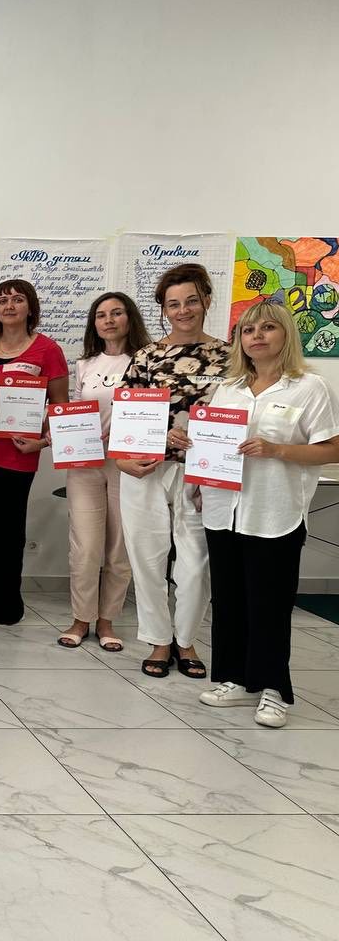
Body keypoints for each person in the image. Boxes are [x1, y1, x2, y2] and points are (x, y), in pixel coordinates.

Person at [196, 301, 339, 727]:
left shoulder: (309, 387)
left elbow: (332, 449)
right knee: (229, 600)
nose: (256, 336)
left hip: (274, 512)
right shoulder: (229, 388)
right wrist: (195, 451)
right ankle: (236, 679)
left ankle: (273, 688)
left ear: (286, 334)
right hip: (224, 510)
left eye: (267, 328)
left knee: (269, 605)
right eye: (248, 330)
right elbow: (216, 445)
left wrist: (277, 450)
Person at [119, 263, 229, 678]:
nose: (183, 311)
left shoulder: (231, 357)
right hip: (146, 469)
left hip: (203, 473)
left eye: (191, 301)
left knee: (196, 563)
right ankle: (159, 639)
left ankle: (186, 639)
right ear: (164, 309)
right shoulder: (146, 357)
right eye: (173, 304)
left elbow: (238, 415)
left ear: (206, 301)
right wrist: (152, 443)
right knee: (147, 556)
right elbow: (127, 418)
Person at [0, 279, 69, 626]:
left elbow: (61, 407)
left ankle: (7, 607)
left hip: (16, 456)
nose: (9, 306)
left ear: (30, 307)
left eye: (17, 299)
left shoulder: (47, 350)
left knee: (6, 533)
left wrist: (43, 442)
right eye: (2, 300)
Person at [56, 292, 151, 652]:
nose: (108, 320)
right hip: (85, 463)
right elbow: (75, 411)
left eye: (116, 313)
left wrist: (123, 432)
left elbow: (152, 412)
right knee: (85, 546)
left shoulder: (147, 361)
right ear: (93, 323)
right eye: (101, 315)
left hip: (127, 463)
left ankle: (107, 620)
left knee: (119, 547)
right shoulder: (85, 364)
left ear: (130, 318)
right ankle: (81, 618)